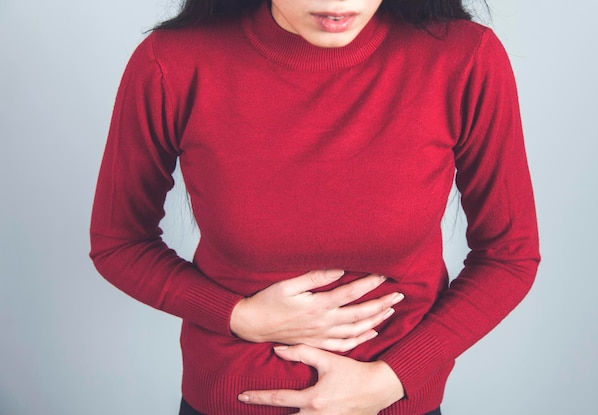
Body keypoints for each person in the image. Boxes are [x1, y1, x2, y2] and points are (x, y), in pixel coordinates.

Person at [89, 0, 541, 414]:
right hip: (228, 400)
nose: (336, 2)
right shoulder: (172, 61)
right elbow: (118, 243)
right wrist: (237, 315)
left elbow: (510, 256)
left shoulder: (462, 57)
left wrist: (394, 377)